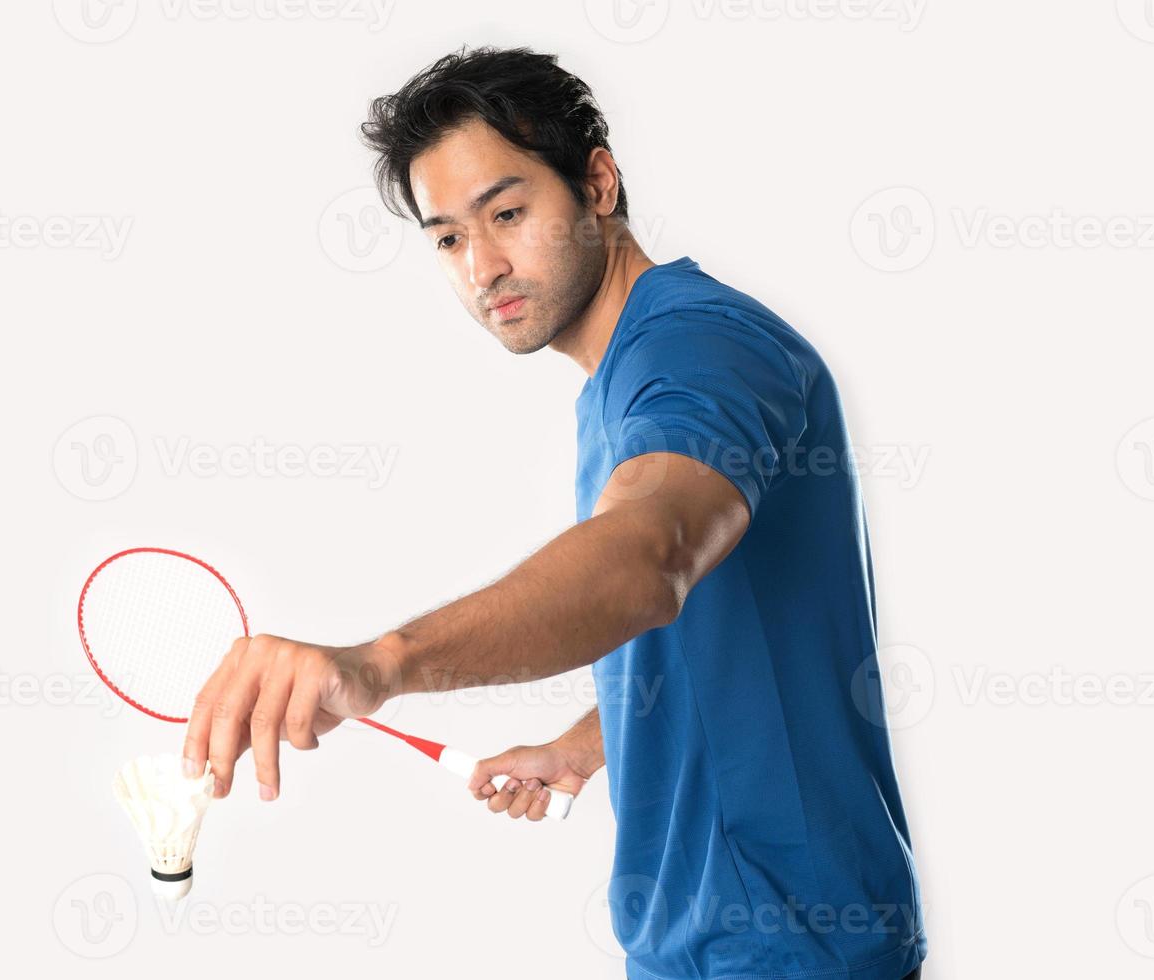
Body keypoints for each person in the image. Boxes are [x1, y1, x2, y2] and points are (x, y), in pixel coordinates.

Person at [181, 45, 925, 980]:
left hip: (789, 949)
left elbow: (645, 561)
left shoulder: (699, 350)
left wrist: (381, 665)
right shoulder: (618, 382)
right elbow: (714, 624)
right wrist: (587, 744)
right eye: (449, 238)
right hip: (701, 943)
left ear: (599, 184)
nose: (484, 265)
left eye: (508, 212)